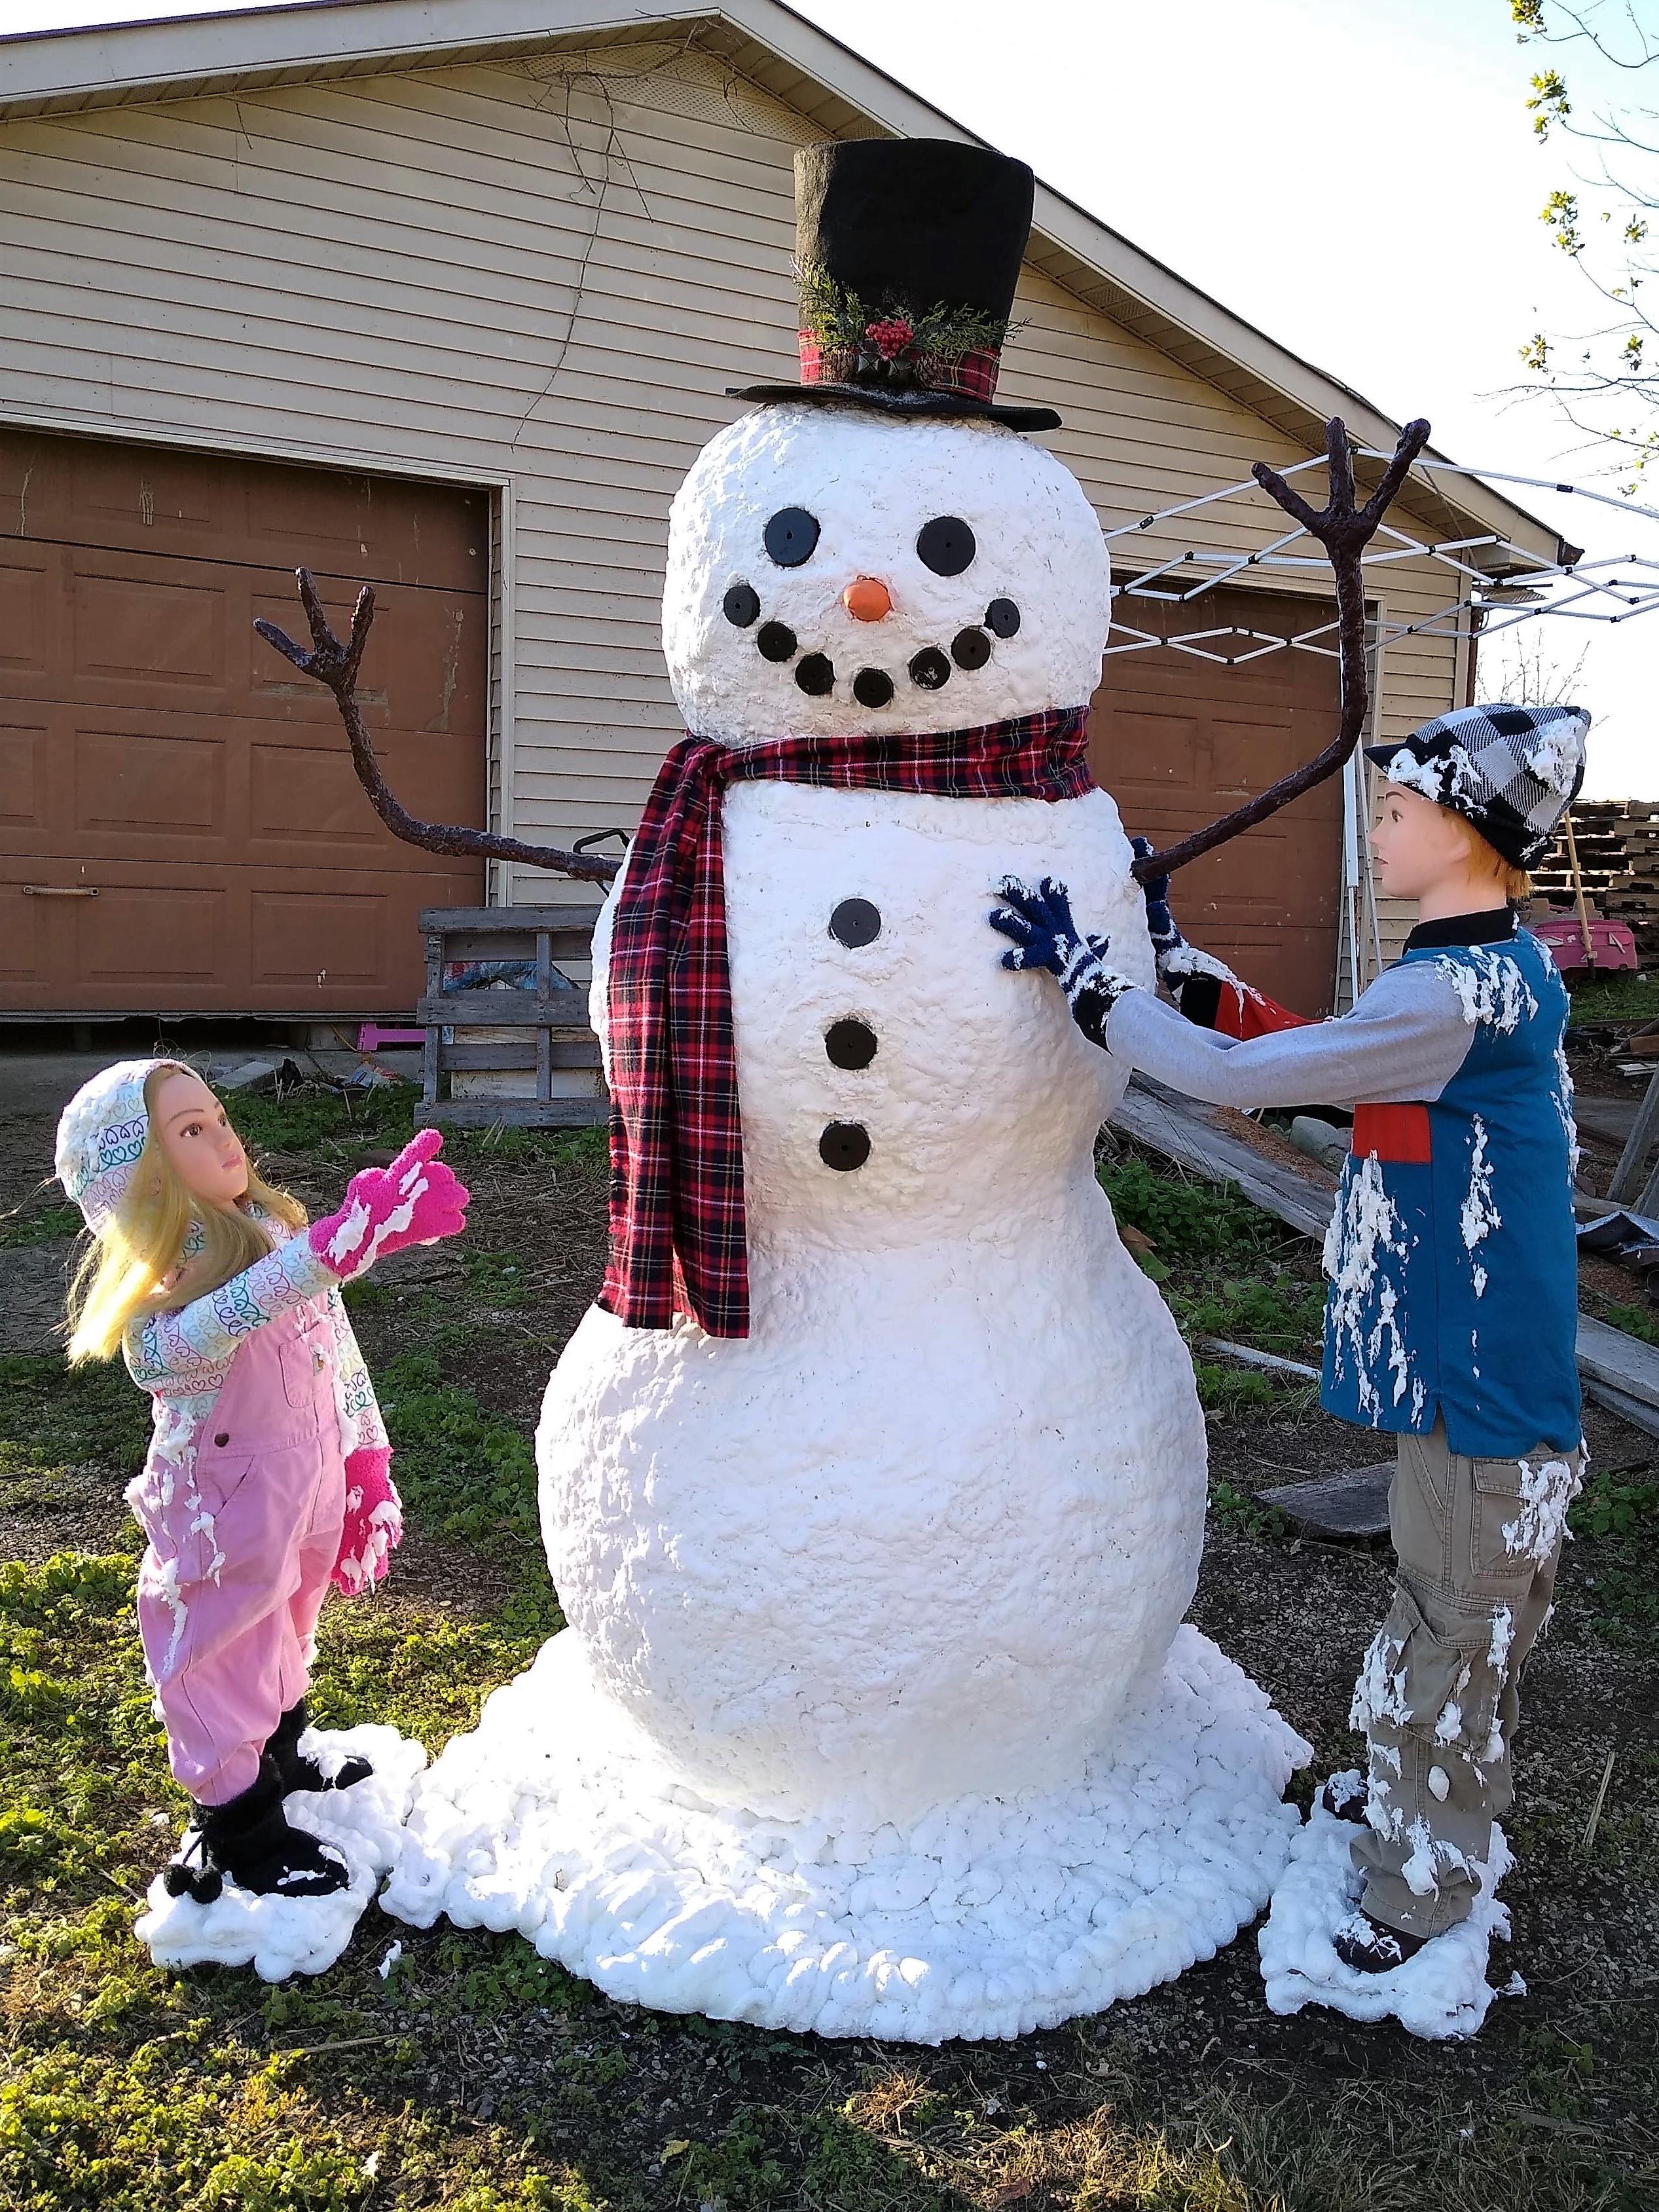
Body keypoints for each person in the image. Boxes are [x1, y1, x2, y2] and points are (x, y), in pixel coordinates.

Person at [989, 702, 1589, 1976]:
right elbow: (1324, 1061)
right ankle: (1395, 1808)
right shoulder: (1453, 983)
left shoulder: (1464, 994)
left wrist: (1098, 992)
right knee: (1433, 1608)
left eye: (1399, 810)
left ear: (1469, 833)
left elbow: (1235, 1079)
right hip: (1463, 1388)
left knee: (1454, 1645)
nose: (1376, 828)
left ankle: (1419, 1892)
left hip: (1493, 1404)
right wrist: (1179, 959)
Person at [57, 1060, 468, 1905]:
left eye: (216, 1115)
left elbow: (330, 1348)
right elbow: (201, 1333)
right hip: (224, 1501)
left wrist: (362, 1457)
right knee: (223, 1637)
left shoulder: (266, 1232)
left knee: (291, 1612)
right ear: (142, 1178)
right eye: (190, 1132)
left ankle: (280, 1753)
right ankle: (238, 1820)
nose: (224, 1137)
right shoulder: (164, 1287)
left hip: (306, 1475)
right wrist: (324, 1256)